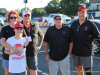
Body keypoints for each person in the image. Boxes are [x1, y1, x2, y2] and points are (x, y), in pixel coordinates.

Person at [70, 6, 100, 75]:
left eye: (83, 13)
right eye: (79, 13)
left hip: (86, 51)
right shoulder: (74, 24)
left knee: (88, 71)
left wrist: (88, 40)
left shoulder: (90, 24)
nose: (81, 14)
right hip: (76, 51)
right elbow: (70, 36)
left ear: (86, 13)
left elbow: (97, 36)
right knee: (78, 68)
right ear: (77, 13)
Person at [1, 10, 29, 75]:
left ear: (17, 18)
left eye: (15, 17)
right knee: (8, 73)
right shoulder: (4, 29)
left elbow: (27, 40)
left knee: (22, 71)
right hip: (7, 55)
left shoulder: (21, 28)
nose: (13, 19)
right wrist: (15, 49)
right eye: (11, 17)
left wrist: (22, 47)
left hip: (19, 57)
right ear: (9, 19)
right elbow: (3, 43)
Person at [21, 10, 44, 75]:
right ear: (22, 16)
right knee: (23, 71)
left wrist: (39, 46)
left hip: (32, 53)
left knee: (33, 71)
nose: (27, 17)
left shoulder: (35, 26)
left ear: (30, 17)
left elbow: (41, 35)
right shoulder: (19, 26)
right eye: (25, 15)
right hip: (22, 54)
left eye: (28, 15)